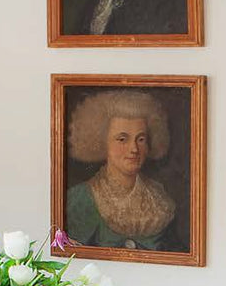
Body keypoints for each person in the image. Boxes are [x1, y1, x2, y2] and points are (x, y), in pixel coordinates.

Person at [65, 89, 182, 252]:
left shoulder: (160, 200)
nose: (134, 149)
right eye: (122, 139)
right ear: (102, 142)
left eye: (141, 139)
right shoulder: (79, 199)